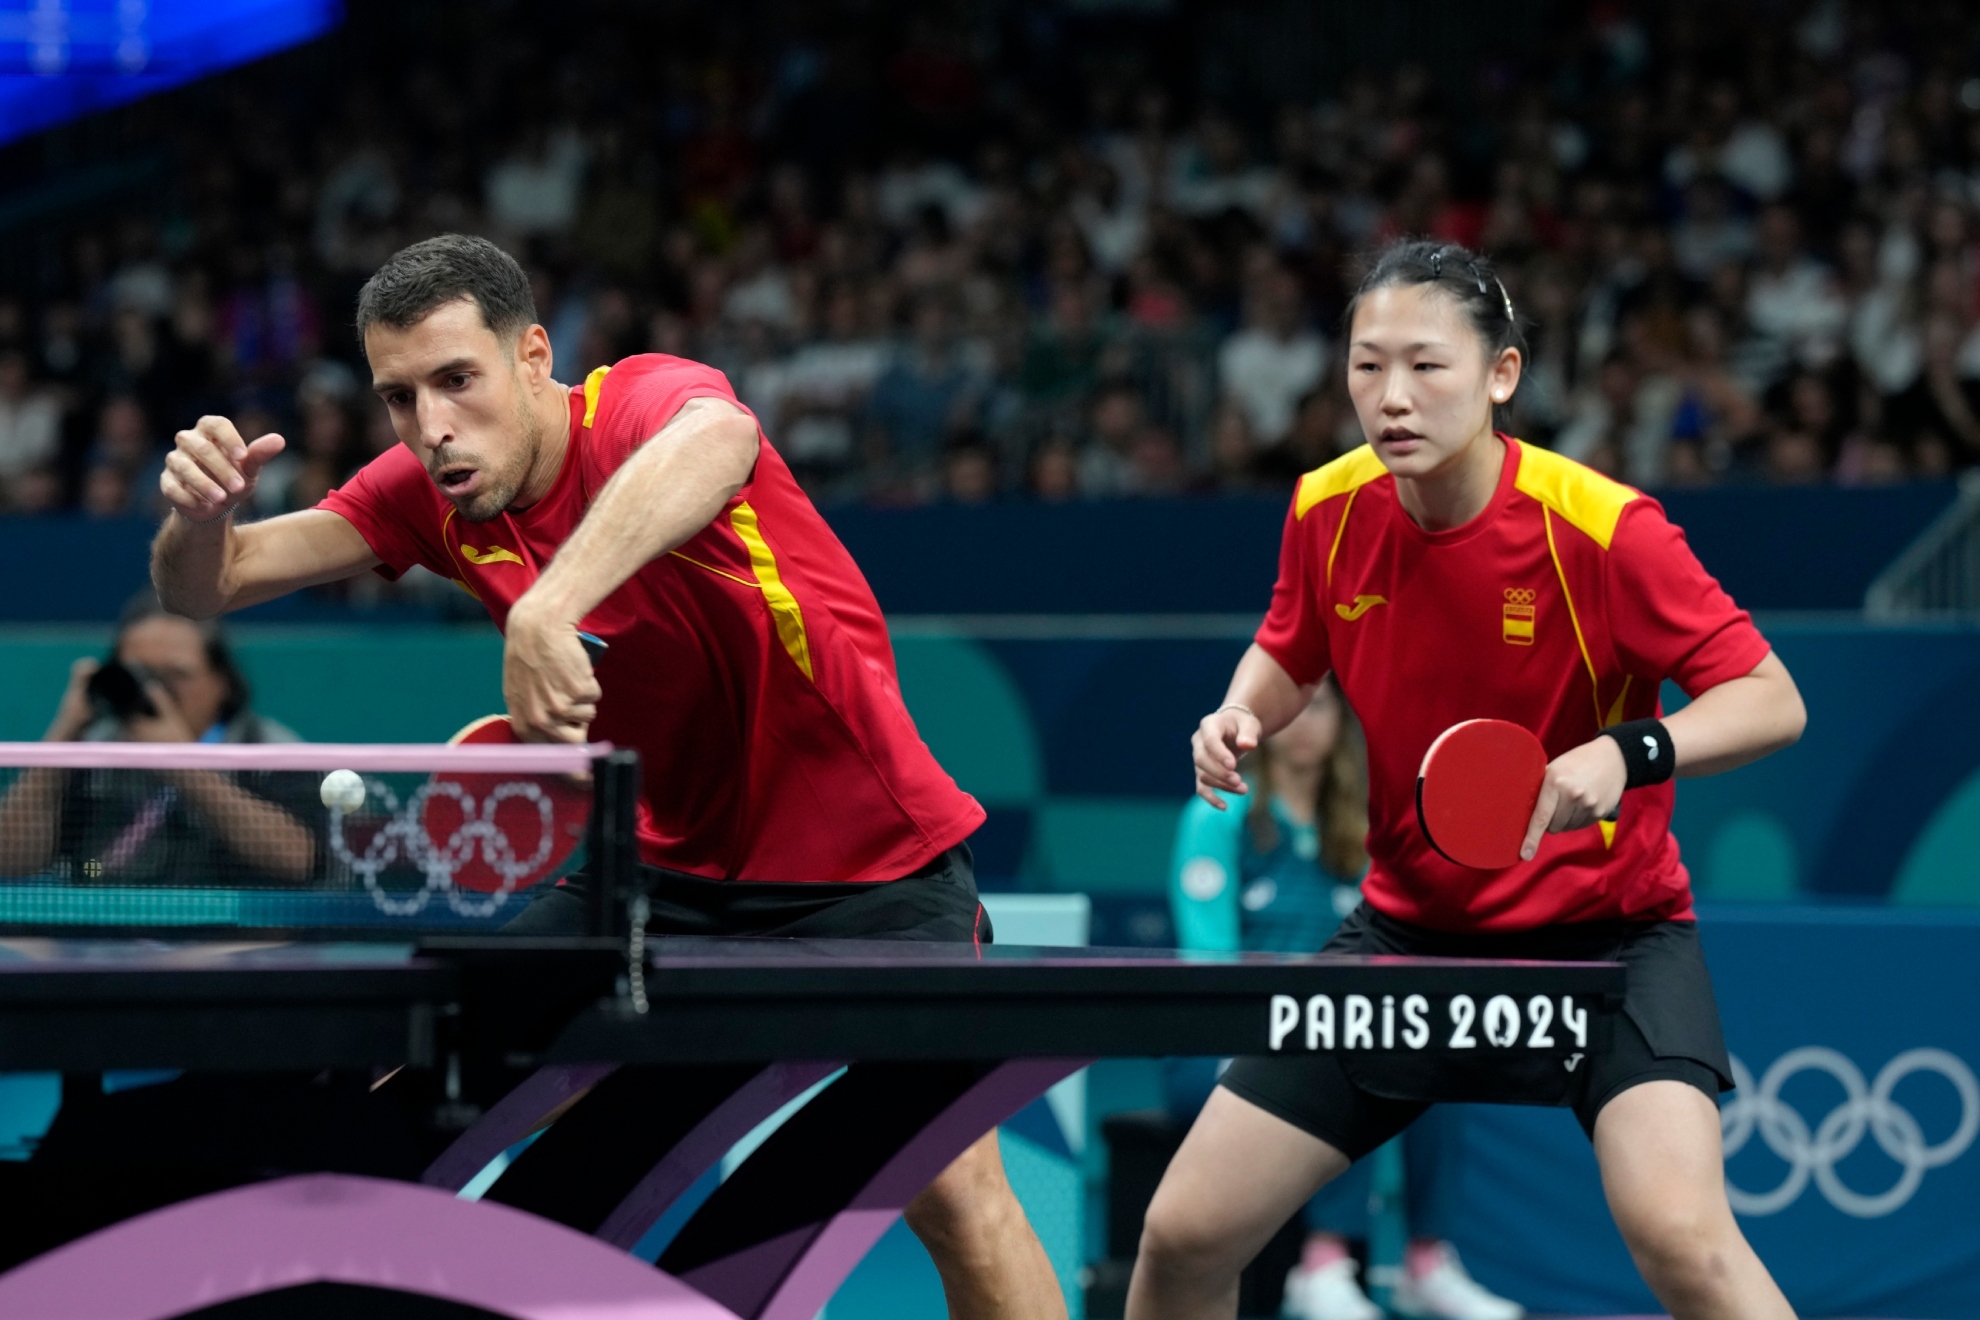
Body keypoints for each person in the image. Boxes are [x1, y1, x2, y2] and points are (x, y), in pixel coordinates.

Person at [149, 233, 1064, 1319]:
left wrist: (548, 605)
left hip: (873, 864)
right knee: (408, 1091)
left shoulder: (637, 405)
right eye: (399, 397)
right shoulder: (426, 489)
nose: (431, 426)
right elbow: (218, 585)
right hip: (657, 881)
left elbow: (718, 438)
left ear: (534, 356)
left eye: (457, 381)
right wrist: (197, 523)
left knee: (956, 1195)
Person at [1128, 239, 1807, 1320]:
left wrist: (1623, 752)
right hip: (1408, 938)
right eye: (1366, 365)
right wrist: (1237, 716)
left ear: (1502, 375)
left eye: (1427, 366)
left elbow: (1773, 698)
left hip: (1609, 942)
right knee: (1183, 1236)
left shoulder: (1603, 529)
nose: (1391, 398)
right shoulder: (1328, 506)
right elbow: (1290, 647)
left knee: (1684, 1240)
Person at [1166, 682, 1523, 1320]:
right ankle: (1324, 1263)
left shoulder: (1367, 822)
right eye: (1292, 706)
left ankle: (1425, 1260)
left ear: (1343, 723)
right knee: (1349, 1049)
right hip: (1225, 1037)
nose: (1303, 721)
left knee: (1427, 1056)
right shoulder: (1221, 811)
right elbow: (1207, 962)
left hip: (1334, 1024)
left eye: (1322, 705)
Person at [0, 594, 315, 885]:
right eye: (139, 673)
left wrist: (182, 763)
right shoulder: (92, 752)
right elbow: (9, 860)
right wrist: (64, 733)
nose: (158, 691)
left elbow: (298, 863)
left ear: (223, 681)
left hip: (232, 936)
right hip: (102, 927)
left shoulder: (268, 748)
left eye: (177, 675)